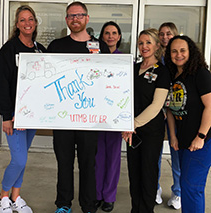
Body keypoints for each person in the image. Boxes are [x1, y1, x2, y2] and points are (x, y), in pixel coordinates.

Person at [47, 2, 110, 213]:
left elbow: (108, 82)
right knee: (64, 164)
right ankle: (63, 205)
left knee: (87, 164)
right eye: (71, 16)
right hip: (62, 118)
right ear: (66, 20)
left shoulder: (100, 47)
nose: (75, 19)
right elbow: (45, 81)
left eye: (79, 15)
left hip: (89, 118)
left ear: (87, 18)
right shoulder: (56, 46)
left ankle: (88, 205)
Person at [0, 5, 46, 213]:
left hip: (32, 115)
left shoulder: (40, 49)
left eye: (30, 19)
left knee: (23, 157)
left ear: (35, 23)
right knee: (19, 158)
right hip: (15, 116)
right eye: (23, 20)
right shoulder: (9, 50)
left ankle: (16, 197)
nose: (27, 23)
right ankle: (3, 196)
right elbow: (1, 85)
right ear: (17, 24)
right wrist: (6, 116)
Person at [122, 28, 170, 213]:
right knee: (134, 173)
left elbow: (156, 106)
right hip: (131, 132)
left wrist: (131, 124)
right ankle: (136, 209)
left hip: (150, 132)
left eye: (148, 42)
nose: (144, 46)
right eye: (141, 43)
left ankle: (146, 210)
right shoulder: (132, 68)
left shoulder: (163, 72)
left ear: (157, 45)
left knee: (148, 174)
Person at [164, 35, 211, 213]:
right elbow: (169, 108)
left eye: (182, 50)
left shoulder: (200, 73)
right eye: (174, 51)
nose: (178, 54)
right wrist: (173, 136)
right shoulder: (173, 75)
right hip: (182, 140)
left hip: (201, 142)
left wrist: (201, 136)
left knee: (192, 187)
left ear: (191, 51)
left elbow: (210, 106)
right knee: (186, 185)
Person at [95, 21, 122, 212]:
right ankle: (96, 194)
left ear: (119, 37)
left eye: (114, 33)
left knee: (113, 157)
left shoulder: (125, 60)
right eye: (107, 33)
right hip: (95, 114)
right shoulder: (94, 57)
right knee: (97, 157)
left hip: (115, 116)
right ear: (101, 36)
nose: (110, 36)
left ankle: (109, 196)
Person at [155, 22, 181, 210]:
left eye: (169, 34)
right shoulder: (154, 56)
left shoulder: (180, 58)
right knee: (154, 152)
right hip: (157, 112)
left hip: (177, 113)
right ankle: (154, 188)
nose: (165, 37)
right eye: (162, 34)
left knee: (177, 152)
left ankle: (178, 192)